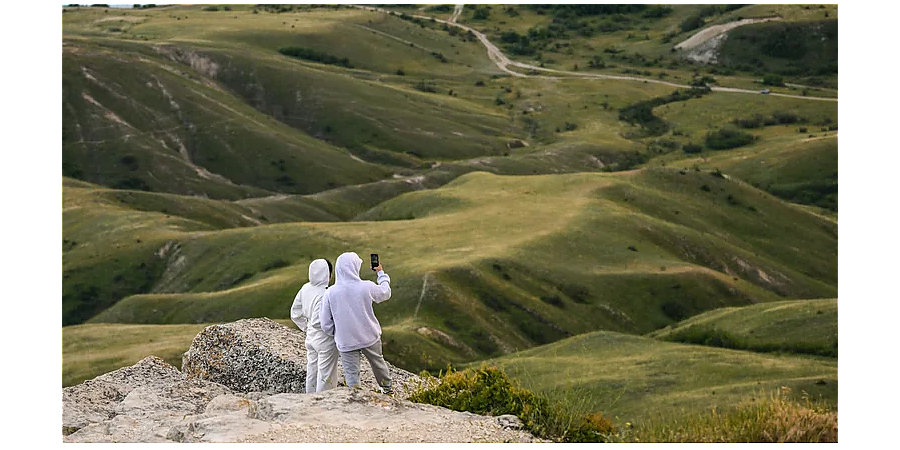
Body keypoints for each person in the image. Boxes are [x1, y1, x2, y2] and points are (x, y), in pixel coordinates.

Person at [320, 252, 393, 394]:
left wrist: (337, 333)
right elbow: (385, 293)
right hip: (369, 335)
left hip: (346, 340)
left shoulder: (330, 293)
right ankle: (387, 390)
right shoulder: (366, 286)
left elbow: (325, 323)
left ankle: (355, 397)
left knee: (351, 374)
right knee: (378, 364)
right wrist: (381, 273)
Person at [290, 258, 339, 393]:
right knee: (325, 374)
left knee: (312, 371)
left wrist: (307, 328)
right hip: (324, 339)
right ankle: (322, 402)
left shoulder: (305, 288)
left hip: (310, 337)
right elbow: (320, 321)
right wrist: (334, 332)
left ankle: (309, 397)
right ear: (328, 275)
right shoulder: (325, 293)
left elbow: (295, 313)